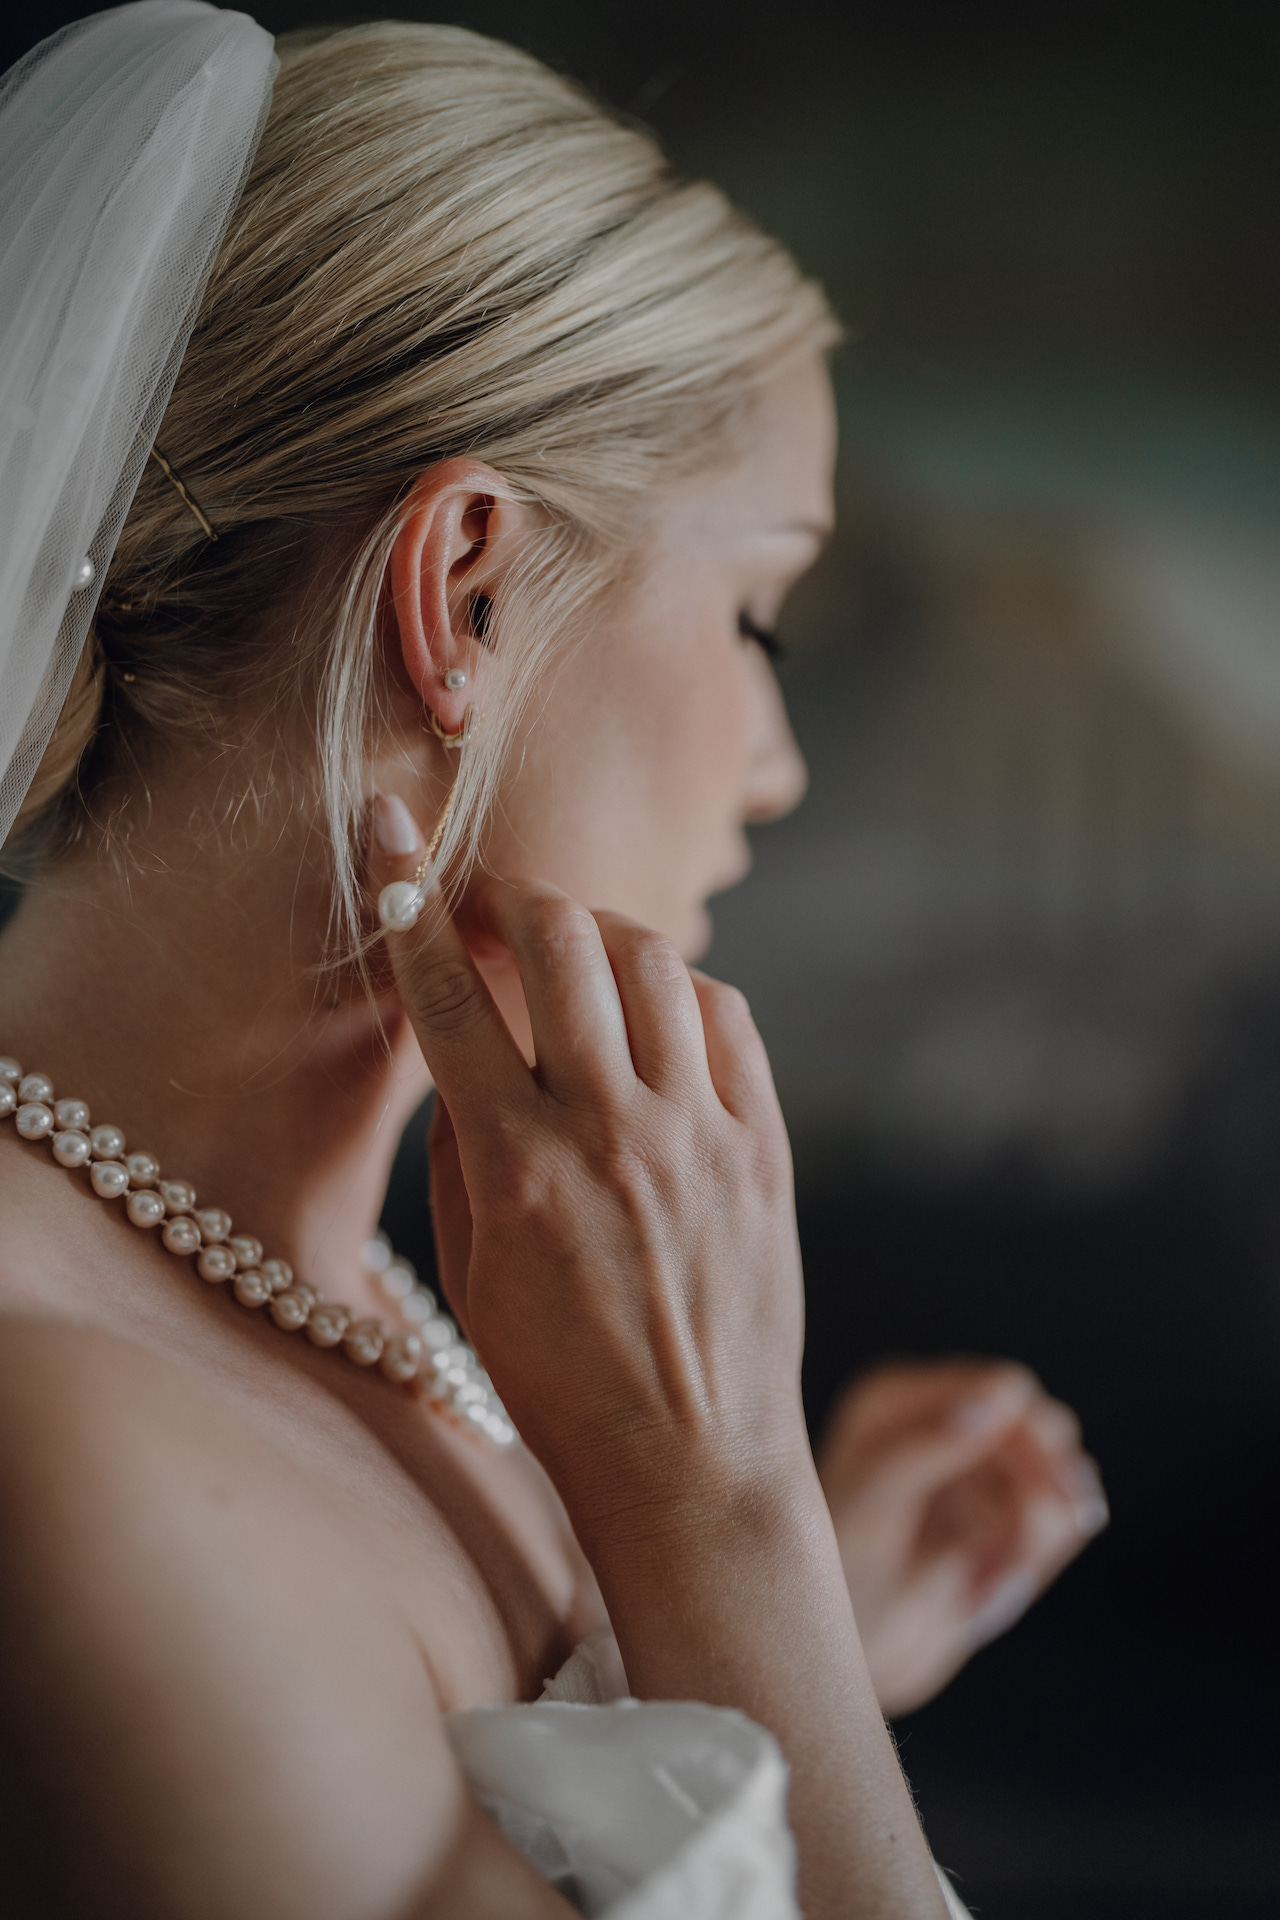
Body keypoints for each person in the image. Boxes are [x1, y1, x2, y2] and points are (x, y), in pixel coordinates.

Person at [0, 8, 1106, 1915]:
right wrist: (727, 1532)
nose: (782, 761)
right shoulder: (67, 1459)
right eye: (763, 610)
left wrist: (799, 1620)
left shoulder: (365, 1303)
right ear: (470, 592)